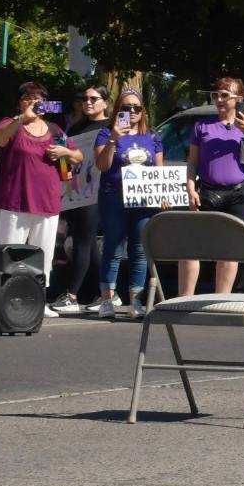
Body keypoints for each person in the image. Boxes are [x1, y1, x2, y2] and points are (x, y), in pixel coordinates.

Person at [0, 81, 79, 309]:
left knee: (43, 256)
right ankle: (4, 302)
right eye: (28, 99)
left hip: (47, 203)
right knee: (9, 255)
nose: (33, 103)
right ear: (20, 103)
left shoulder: (54, 130)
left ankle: (38, 303)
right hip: (14, 203)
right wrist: (22, 118)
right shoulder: (11, 123)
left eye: (38, 99)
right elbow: (0, 139)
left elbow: (78, 157)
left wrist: (65, 152)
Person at [181, 76, 244, 297]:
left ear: (239, 98)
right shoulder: (202, 125)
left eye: (225, 95)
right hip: (208, 191)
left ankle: (221, 299)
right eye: (216, 95)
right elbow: (192, 162)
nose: (219, 99)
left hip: (238, 195)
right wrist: (191, 189)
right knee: (190, 247)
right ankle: (183, 300)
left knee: (229, 251)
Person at [93, 88, 162, 319]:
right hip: (114, 196)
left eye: (136, 108)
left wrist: (163, 194)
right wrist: (114, 139)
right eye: (126, 107)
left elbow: (158, 172)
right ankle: (106, 300)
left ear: (143, 112)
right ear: (117, 111)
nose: (131, 112)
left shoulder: (153, 137)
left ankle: (136, 302)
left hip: (143, 199)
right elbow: (102, 165)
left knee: (140, 249)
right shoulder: (105, 134)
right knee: (113, 246)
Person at [48, 84, 110, 314]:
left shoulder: (110, 126)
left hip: (98, 190)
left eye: (94, 98)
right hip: (75, 190)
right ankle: (107, 294)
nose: (88, 102)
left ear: (105, 101)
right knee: (89, 243)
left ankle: (72, 295)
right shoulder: (75, 127)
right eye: (84, 99)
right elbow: (67, 161)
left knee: (82, 240)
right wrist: (65, 184)